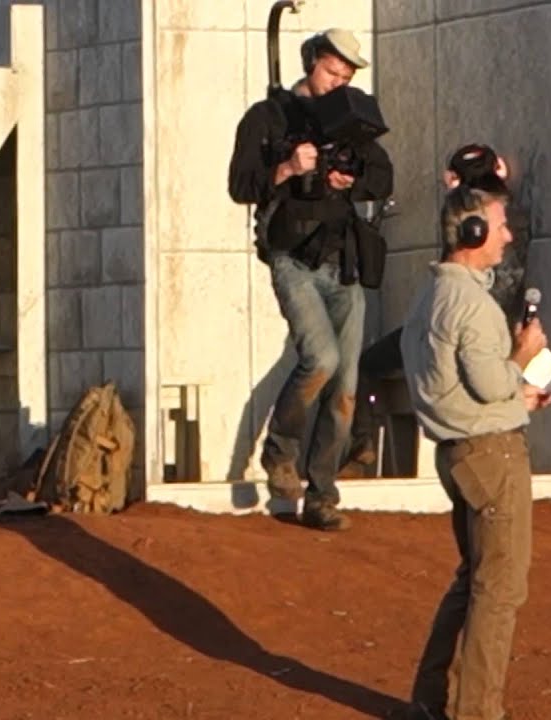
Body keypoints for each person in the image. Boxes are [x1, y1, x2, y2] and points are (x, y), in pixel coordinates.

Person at [399, 186, 551, 720]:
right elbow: (491, 384)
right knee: (499, 589)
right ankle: (477, 712)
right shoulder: (471, 302)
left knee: (473, 580)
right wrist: (523, 355)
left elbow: (464, 388)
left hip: (458, 453)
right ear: (471, 233)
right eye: (500, 223)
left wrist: (518, 392)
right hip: (492, 457)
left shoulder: (429, 298)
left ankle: (428, 699)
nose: (507, 235)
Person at [227, 28, 393, 530]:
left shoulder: (351, 121)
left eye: (344, 76)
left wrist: (350, 178)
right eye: (329, 72)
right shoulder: (269, 117)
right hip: (291, 257)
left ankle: (322, 494)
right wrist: (285, 167)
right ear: (310, 63)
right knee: (320, 358)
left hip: (342, 263)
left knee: (344, 386)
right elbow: (240, 186)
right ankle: (280, 451)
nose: (334, 83)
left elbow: (383, 176)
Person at [344, 144, 530, 474]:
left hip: (466, 341)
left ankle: (362, 444)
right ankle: (362, 447)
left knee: (368, 364)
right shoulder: (503, 220)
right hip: (474, 338)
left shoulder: (482, 233)